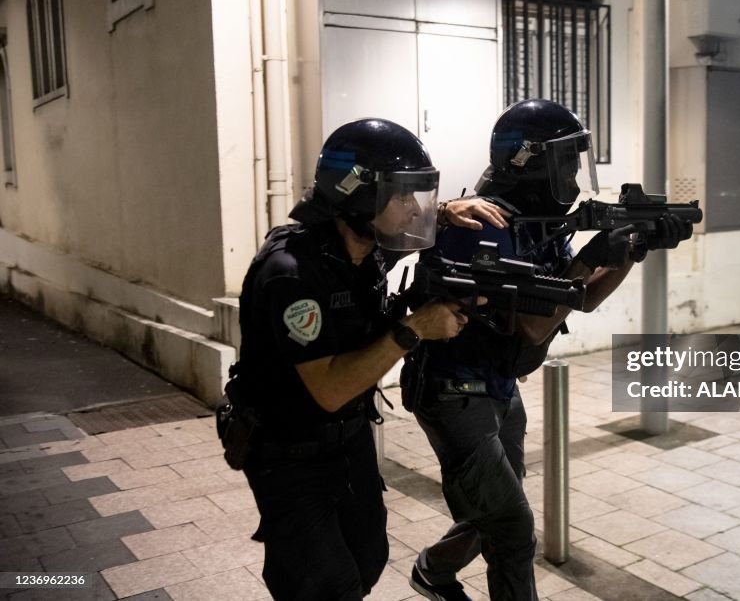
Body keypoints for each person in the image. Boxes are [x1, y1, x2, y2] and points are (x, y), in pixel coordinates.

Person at [401, 99, 692, 601]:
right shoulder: (484, 226)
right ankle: (439, 569)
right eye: (565, 162)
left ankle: (434, 568)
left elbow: (580, 298)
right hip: (454, 391)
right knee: (512, 528)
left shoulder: (537, 222)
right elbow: (535, 328)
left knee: (498, 501)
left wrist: (626, 252)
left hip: (497, 386)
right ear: (531, 162)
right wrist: (589, 256)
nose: (574, 175)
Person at [228, 118, 507, 600]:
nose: (412, 208)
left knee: (369, 557)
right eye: (403, 196)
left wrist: (445, 209)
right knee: (323, 583)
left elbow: (404, 232)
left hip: (349, 442)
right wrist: (415, 327)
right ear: (358, 196)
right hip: (288, 452)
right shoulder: (291, 273)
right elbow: (331, 390)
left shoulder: (365, 249)